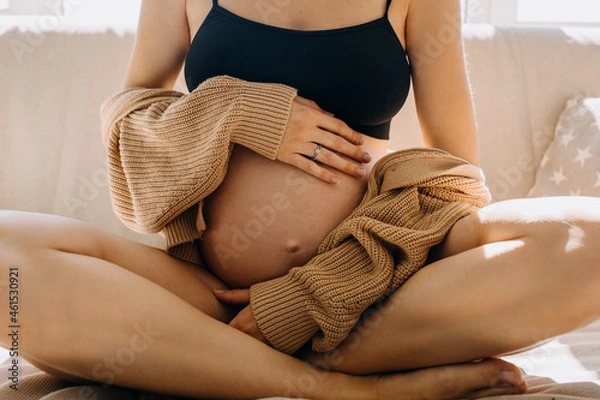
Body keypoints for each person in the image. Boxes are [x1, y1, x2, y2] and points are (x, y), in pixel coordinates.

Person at [2, 0, 599, 398]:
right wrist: (236, 111)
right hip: (215, 296)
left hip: (381, 289)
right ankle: (338, 386)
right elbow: (126, 120)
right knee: (4, 263)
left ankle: (225, 359)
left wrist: (319, 291)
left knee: (591, 240)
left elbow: (454, 171)